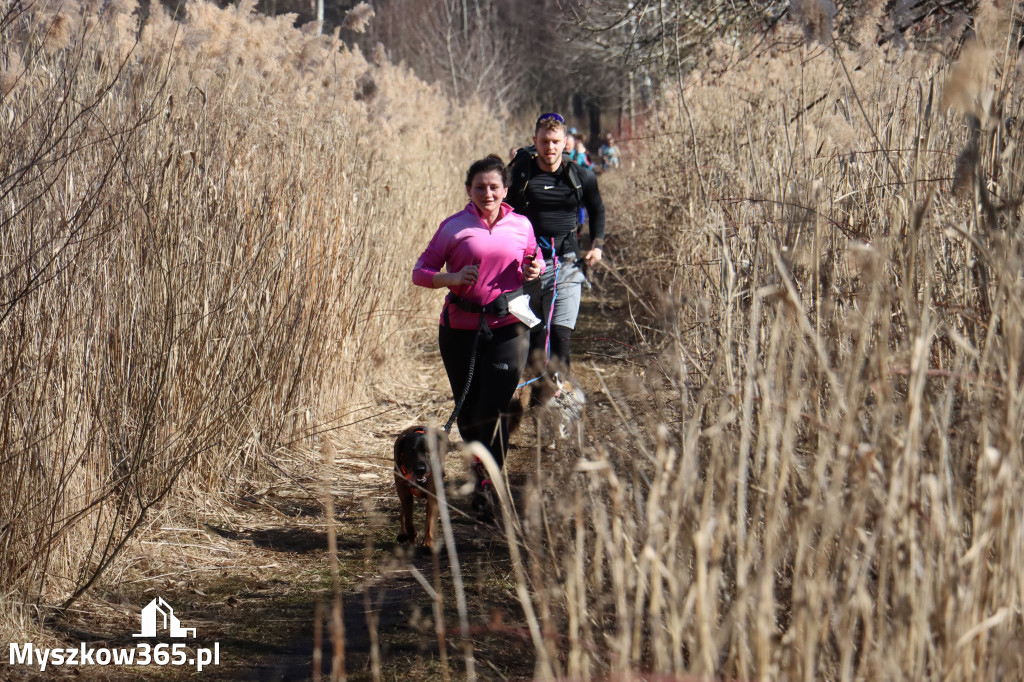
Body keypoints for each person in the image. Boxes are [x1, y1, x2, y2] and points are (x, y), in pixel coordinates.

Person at [412, 155, 544, 515]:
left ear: (505, 190)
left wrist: (536, 268)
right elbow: (420, 272)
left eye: (494, 187)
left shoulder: (521, 224)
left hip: (508, 327)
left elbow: (535, 260)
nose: (488, 193)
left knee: (494, 407)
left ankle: (489, 478)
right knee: (468, 411)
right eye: (480, 187)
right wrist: (452, 279)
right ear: (468, 190)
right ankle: (480, 472)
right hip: (459, 329)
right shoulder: (453, 228)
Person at [506, 112, 605, 376]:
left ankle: (564, 402)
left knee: (561, 334)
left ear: (565, 144)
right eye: (544, 141)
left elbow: (597, 210)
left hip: (568, 262)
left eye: (555, 142)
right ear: (534, 141)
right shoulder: (519, 177)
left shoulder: (580, 176)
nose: (550, 147)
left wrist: (597, 246)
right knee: (537, 337)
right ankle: (538, 401)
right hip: (528, 266)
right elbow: (502, 213)